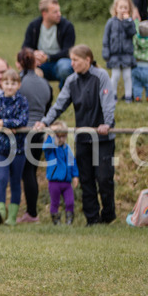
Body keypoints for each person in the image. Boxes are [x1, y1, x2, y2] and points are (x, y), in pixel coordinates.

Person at [34, 45, 116, 226]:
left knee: (103, 178)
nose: (72, 64)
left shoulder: (101, 76)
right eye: (71, 60)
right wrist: (45, 122)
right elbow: (59, 104)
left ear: (87, 59)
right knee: (86, 179)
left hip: (102, 138)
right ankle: (92, 219)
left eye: (75, 60)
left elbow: (108, 101)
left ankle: (108, 214)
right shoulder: (71, 81)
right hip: (83, 138)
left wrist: (107, 123)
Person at [0, 69, 29, 226]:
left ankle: (13, 217)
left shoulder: (22, 102)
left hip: (19, 149)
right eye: (7, 83)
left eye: (13, 83)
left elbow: (22, 120)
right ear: (1, 84)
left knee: (16, 181)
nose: (9, 86)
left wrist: (4, 123)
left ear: (18, 85)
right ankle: (1, 210)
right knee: (1, 178)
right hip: (0, 149)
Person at [16, 47, 52, 224]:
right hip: (40, 130)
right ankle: (31, 212)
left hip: (24, 131)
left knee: (26, 172)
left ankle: (31, 213)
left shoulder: (20, 82)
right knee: (32, 170)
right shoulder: (44, 83)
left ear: (20, 63)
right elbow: (48, 105)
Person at [22, 0, 75, 84]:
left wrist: (48, 58)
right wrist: (34, 54)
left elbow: (68, 51)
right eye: (55, 12)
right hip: (40, 63)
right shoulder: (34, 26)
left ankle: (65, 95)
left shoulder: (67, 26)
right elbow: (25, 47)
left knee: (65, 67)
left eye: (59, 11)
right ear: (44, 13)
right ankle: (41, 95)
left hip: (60, 61)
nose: (59, 14)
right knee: (26, 69)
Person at [102, 0, 137, 103]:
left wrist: (127, 21)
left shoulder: (130, 22)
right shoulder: (110, 22)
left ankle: (128, 96)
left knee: (127, 76)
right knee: (115, 76)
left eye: (125, 8)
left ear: (129, 9)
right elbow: (106, 38)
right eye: (121, 7)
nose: (123, 10)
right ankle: (113, 95)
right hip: (114, 55)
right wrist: (106, 51)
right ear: (116, 8)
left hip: (127, 55)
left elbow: (132, 32)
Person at [42, 128, 79, 225]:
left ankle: (69, 220)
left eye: (63, 136)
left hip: (67, 182)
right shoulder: (51, 150)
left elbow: (72, 162)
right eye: (58, 136)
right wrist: (51, 136)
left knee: (70, 201)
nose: (61, 139)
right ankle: (56, 220)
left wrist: (75, 175)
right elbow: (45, 147)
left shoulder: (67, 149)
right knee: (55, 203)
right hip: (54, 182)